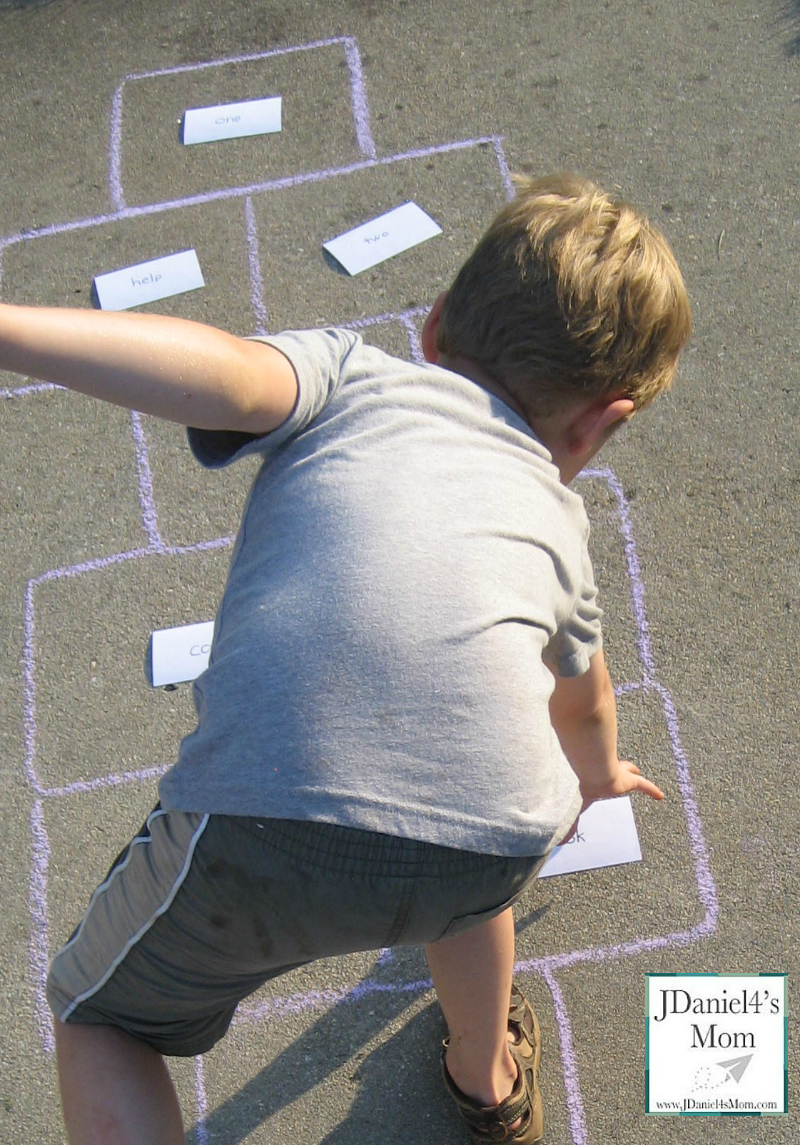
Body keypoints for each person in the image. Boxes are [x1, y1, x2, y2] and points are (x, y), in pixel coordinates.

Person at [1, 172, 690, 1145]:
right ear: (600, 423)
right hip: (493, 833)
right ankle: (484, 1076)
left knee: (100, 1013)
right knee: (460, 873)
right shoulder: (559, 521)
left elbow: (224, 375)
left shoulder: (351, 374)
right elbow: (582, 698)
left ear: (435, 325)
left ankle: (472, 1057)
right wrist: (595, 777)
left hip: (266, 817)